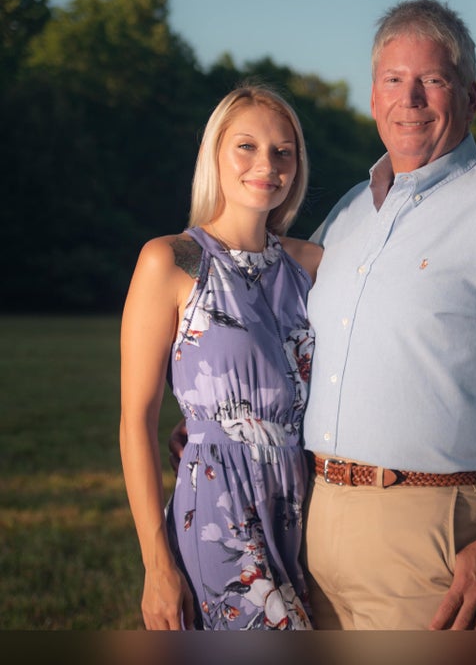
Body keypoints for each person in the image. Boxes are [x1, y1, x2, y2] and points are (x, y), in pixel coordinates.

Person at [171, 0, 476, 631]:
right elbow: (289, 340)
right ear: (374, 98)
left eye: (433, 79)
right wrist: (235, 422)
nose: (412, 98)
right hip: (308, 521)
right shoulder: (344, 218)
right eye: (394, 80)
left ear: (470, 97)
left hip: (426, 529)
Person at [119, 83, 323, 631]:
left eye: (284, 151)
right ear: (215, 153)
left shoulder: (310, 266)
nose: (268, 165)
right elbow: (136, 421)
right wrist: (156, 565)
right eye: (247, 146)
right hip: (217, 502)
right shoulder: (172, 261)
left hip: (300, 504)